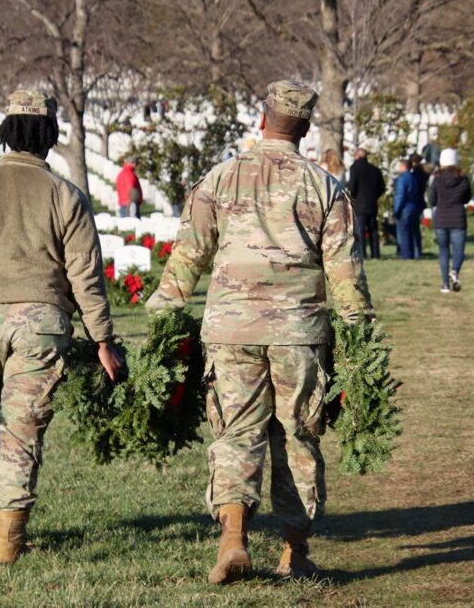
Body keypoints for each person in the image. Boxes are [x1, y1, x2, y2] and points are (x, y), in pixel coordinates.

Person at [147, 80, 372, 584]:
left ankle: (233, 539)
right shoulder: (324, 186)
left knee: (236, 432)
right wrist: (360, 330)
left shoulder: (221, 178)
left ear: (262, 118)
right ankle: (294, 551)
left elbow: (188, 255)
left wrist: (166, 309)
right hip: (298, 330)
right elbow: (345, 272)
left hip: (231, 329)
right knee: (297, 436)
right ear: (307, 129)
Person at [0, 90, 123, 565]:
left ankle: (0, 519)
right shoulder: (66, 196)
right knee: (23, 427)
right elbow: (85, 276)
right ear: (49, 137)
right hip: (42, 323)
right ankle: (9, 538)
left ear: (5, 132)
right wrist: (103, 340)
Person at [426, 148, 471, 293]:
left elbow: (432, 200)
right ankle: (455, 272)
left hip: (441, 219)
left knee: (443, 251)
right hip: (458, 218)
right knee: (459, 251)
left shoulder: (436, 179)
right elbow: (467, 198)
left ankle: (445, 284)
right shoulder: (463, 178)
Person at [347, 148, 385, 259]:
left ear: (357, 156)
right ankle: (375, 253)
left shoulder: (354, 168)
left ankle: (362, 253)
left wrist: (351, 197)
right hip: (372, 205)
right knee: (373, 231)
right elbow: (382, 188)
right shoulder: (376, 170)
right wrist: (374, 197)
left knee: (361, 231)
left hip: (360, 205)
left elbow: (352, 187)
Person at [392, 159, 422, 260]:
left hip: (404, 209)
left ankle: (406, 256)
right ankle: (416, 254)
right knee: (414, 233)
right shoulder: (414, 178)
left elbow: (400, 196)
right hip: (413, 207)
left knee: (404, 234)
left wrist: (396, 210)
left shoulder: (402, 179)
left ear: (403, 167)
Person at [409, 154, 429, 258]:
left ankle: (415, 251)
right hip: (420, 202)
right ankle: (418, 251)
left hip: (414, 202)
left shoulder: (413, 173)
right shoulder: (424, 173)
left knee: (413, 228)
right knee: (417, 228)